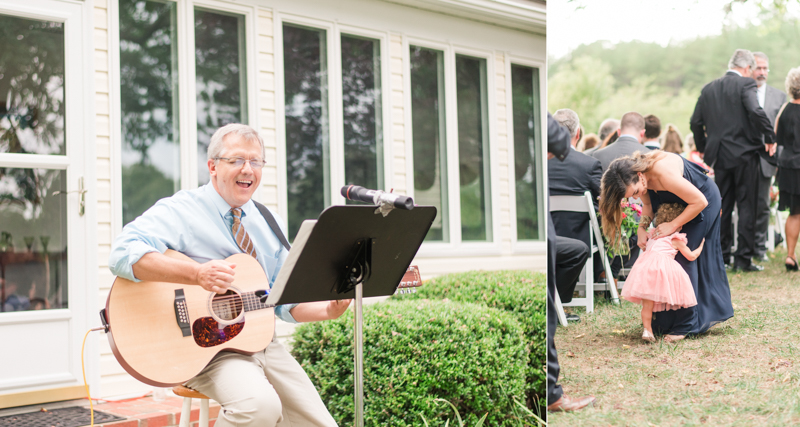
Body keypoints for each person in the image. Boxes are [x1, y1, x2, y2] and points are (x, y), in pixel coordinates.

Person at [109, 123, 349, 427]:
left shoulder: (267, 220)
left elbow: (282, 299)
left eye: (256, 161)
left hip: (261, 343)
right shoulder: (183, 210)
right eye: (236, 160)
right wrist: (196, 274)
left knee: (319, 424)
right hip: (203, 346)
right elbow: (122, 253)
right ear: (212, 166)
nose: (247, 169)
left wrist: (328, 310)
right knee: (258, 406)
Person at [599, 150, 733, 340]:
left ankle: (686, 325)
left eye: (635, 192)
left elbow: (699, 201)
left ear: (640, 176)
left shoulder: (662, 173)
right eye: (631, 196)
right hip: (679, 207)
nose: (636, 197)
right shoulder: (640, 181)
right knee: (664, 261)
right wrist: (642, 228)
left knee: (681, 258)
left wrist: (673, 224)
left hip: (702, 202)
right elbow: (647, 206)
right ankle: (666, 321)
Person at [689, 48, 776, 271]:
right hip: (746, 155)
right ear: (747, 68)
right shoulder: (746, 84)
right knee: (747, 207)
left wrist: (703, 148)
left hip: (719, 156)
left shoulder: (709, 88)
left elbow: (695, 122)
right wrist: (770, 136)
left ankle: (722, 256)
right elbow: (755, 111)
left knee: (723, 206)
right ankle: (743, 259)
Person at [545, 113, 595, 412]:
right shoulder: (586, 163)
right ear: (578, 133)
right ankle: (552, 394)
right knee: (547, 306)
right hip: (564, 239)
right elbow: (560, 140)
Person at [621, 203, 702, 343]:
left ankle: (648, 330)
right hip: (662, 270)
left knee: (648, 305)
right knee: (670, 291)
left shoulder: (653, 235)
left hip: (645, 268)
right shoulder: (675, 239)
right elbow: (691, 256)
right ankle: (673, 323)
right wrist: (701, 246)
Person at [549, 109, 604, 317]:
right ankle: (560, 302)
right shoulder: (589, 165)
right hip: (579, 239)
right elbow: (604, 204)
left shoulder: (541, 165)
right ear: (578, 133)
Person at [753, 52, 787, 262]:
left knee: (763, 205)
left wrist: (778, 160)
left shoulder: (779, 96)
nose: (763, 72)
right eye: (759, 68)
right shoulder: (741, 92)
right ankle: (740, 248)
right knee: (742, 205)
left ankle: (759, 248)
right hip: (742, 158)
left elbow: (783, 133)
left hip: (768, 160)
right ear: (750, 69)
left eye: (766, 68)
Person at [775, 67, 800, 271]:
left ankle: (790, 255)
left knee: (794, 213)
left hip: (789, 167)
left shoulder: (783, 110)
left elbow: (777, 139)